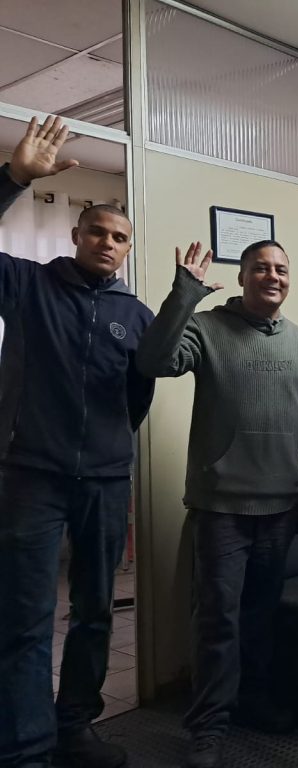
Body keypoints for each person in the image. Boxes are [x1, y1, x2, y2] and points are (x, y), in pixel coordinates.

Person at [135, 240, 298, 768]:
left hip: (283, 507)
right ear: (242, 277)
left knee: (260, 614)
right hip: (221, 507)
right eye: (260, 268)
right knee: (217, 619)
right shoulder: (206, 328)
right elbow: (152, 361)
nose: (272, 276)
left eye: (281, 268)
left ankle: (253, 700)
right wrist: (185, 294)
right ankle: (208, 726)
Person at [0, 116, 154, 768]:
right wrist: (13, 179)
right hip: (31, 475)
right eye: (97, 231)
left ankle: (74, 729)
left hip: (106, 481)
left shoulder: (136, 315)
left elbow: (138, 396)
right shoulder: (28, 285)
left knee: (95, 613)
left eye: (119, 237)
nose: (107, 243)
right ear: (76, 235)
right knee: (26, 618)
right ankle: (25, 748)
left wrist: (112, 445)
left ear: (127, 248)